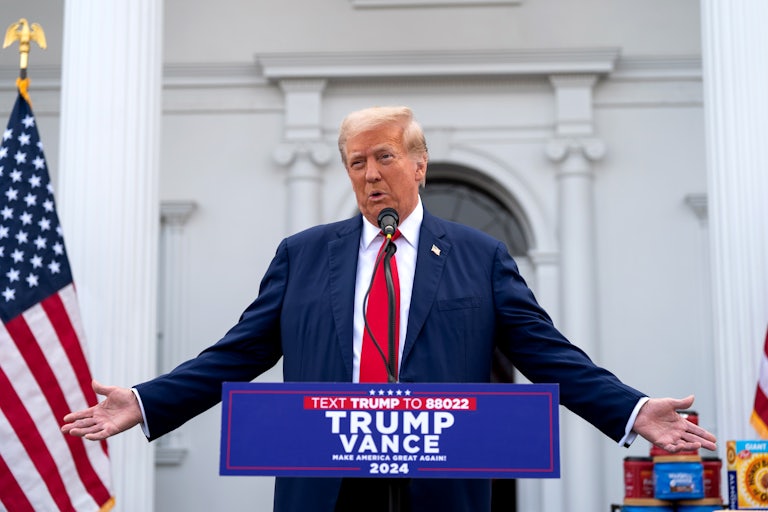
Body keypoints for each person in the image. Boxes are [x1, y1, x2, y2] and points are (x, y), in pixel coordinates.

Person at [62, 106, 716, 512]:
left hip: (440, 485)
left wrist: (632, 409)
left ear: (419, 164)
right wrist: (148, 401)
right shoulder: (304, 256)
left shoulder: (479, 256)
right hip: (325, 486)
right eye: (356, 163)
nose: (370, 173)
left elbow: (546, 354)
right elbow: (237, 353)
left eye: (384, 156)